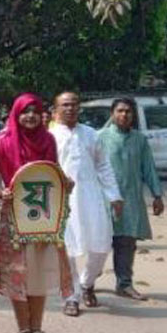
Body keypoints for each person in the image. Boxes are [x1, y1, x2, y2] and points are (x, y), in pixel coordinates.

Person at [0, 94, 73, 333]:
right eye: (25, 112)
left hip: (43, 218)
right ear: (15, 114)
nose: (30, 116)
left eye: (35, 111)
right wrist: (1, 193)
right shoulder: (2, 142)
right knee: (19, 273)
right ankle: (23, 329)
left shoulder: (48, 140)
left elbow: (53, 171)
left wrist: (65, 182)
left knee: (40, 273)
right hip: (14, 220)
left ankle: (38, 329)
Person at [50, 92, 123, 316]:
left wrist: (114, 196)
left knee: (101, 246)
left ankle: (87, 283)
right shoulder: (49, 136)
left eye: (74, 104)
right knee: (67, 250)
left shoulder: (91, 134)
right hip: (61, 199)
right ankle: (71, 297)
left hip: (91, 196)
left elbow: (103, 166)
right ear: (56, 109)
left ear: (79, 108)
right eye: (65, 105)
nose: (70, 108)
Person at [98, 97, 164, 301]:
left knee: (126, 243)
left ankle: (124, 284)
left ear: (133, 115)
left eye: (128, 111)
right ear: (112, 113)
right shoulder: (100, 137)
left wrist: (157, 195)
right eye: (120, 111)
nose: (124, 115)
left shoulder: (139, 139)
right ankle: (86, 285)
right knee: (98, 244)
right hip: (103, 201)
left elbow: (148, 168)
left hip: (131, 201)